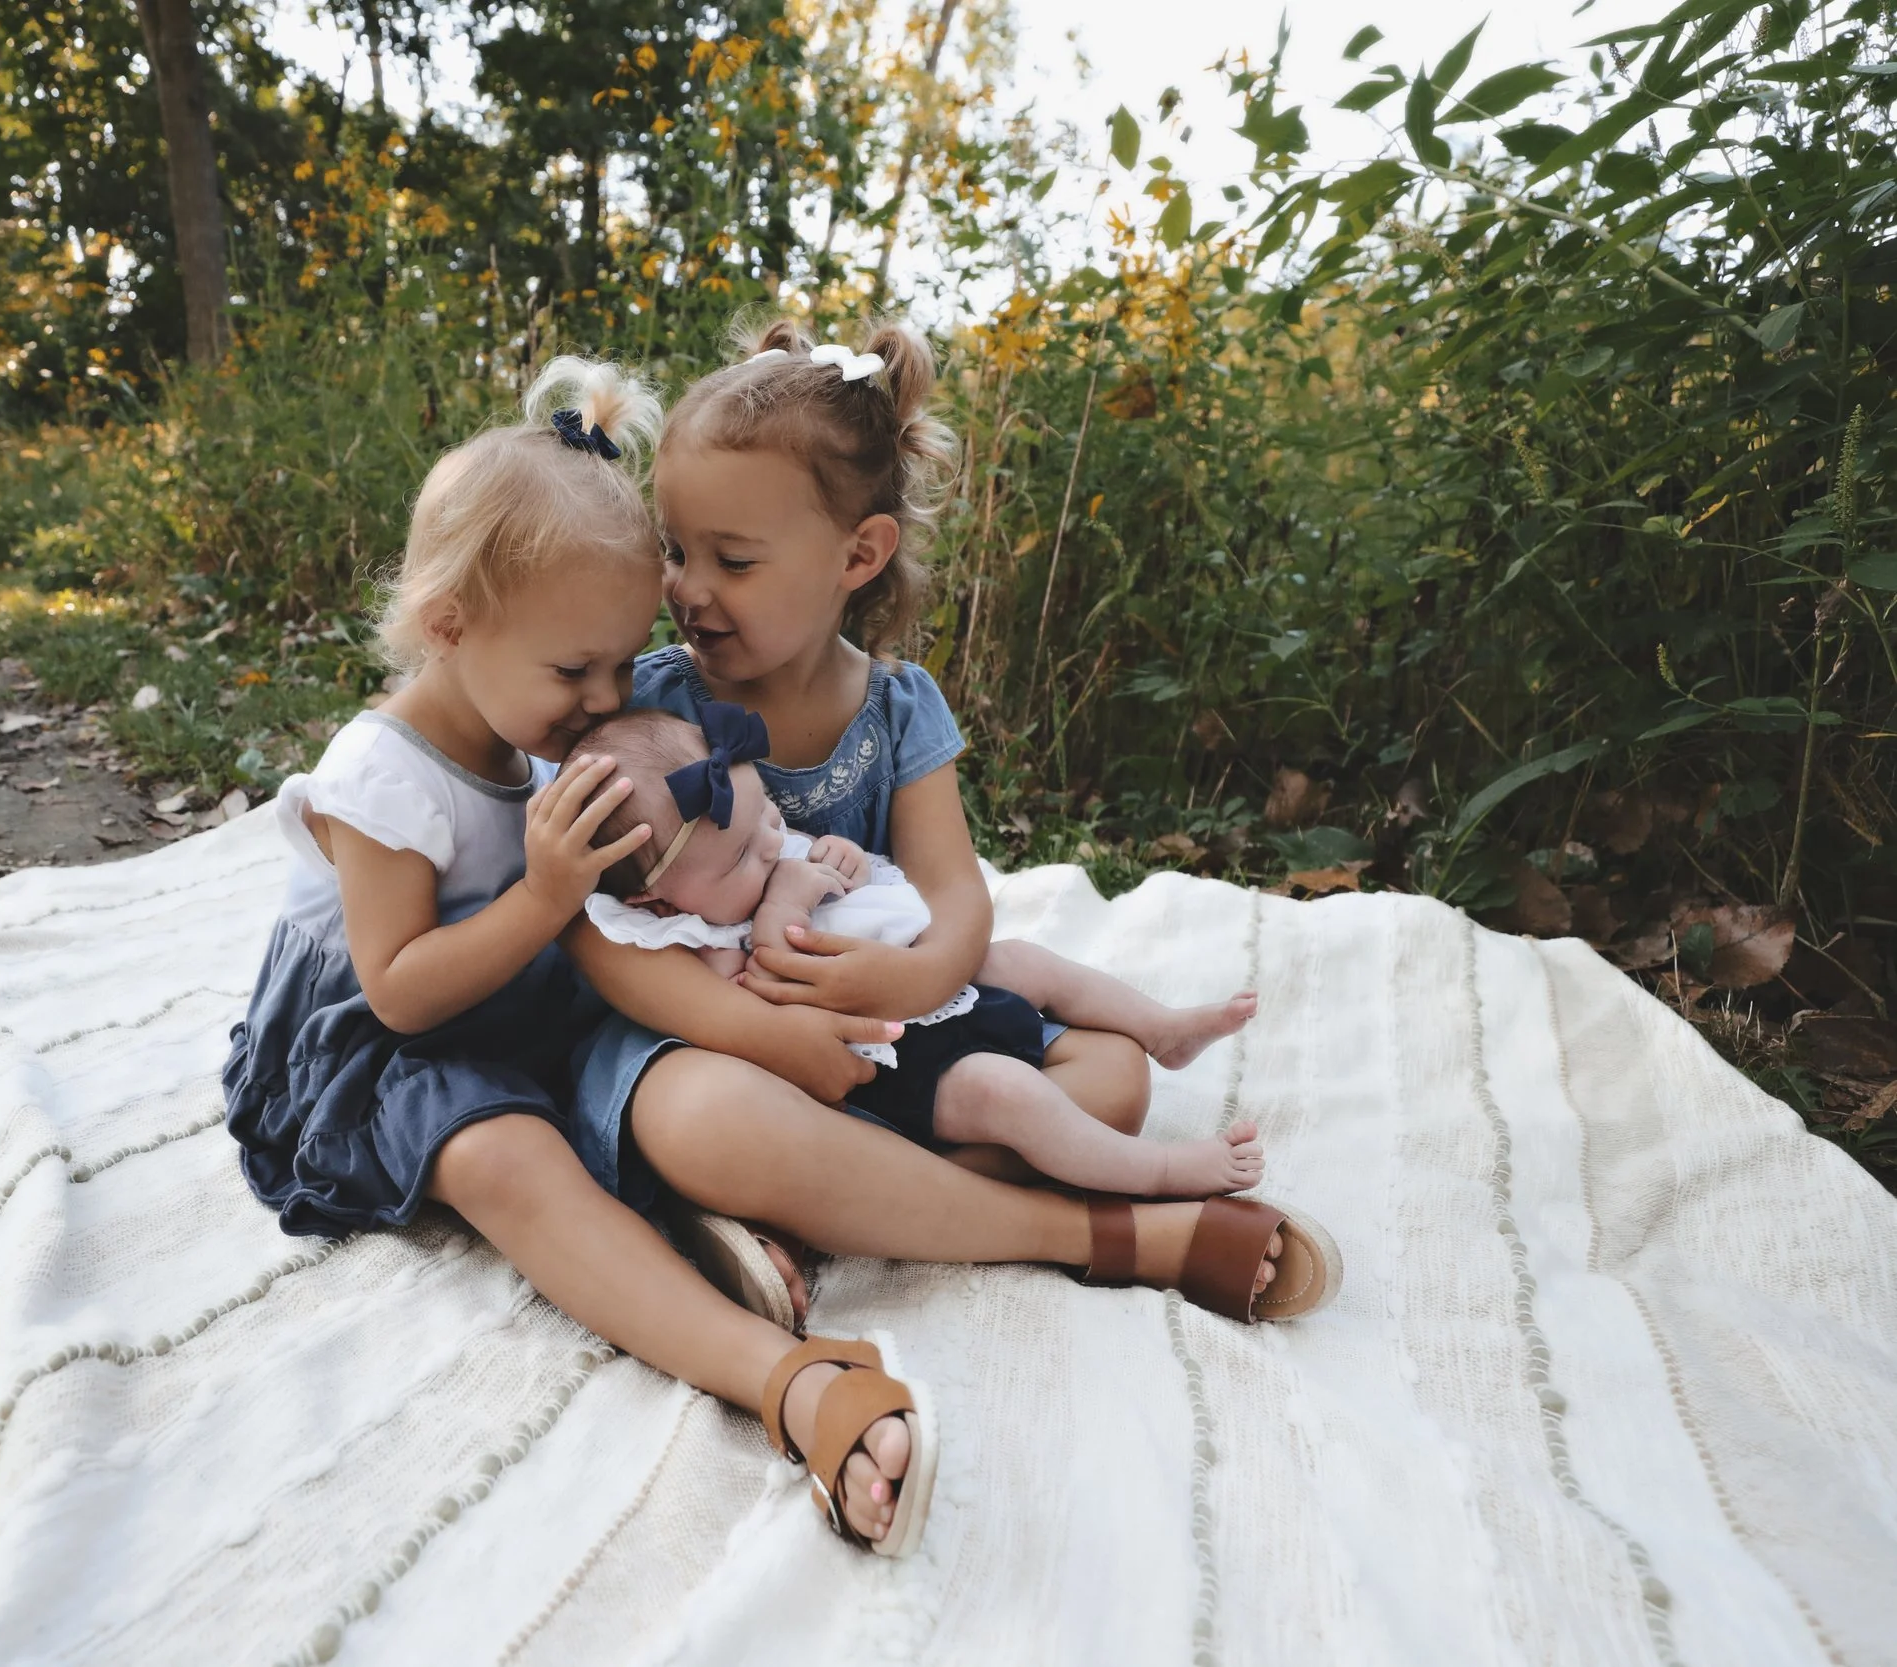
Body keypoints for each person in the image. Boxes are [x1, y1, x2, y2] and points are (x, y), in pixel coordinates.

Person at [222, 358, 938, 1555]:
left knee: (657, 1047)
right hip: (380, 1046)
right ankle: (790, 1379)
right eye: (575, 672)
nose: (604, 698)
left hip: (515, 996)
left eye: (621, 661)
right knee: (511, 1156)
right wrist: (549, 893)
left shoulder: (533, 732)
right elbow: (398, 992)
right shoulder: (380, 777)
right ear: (450, 626)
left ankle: (709, 1210)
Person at [563, 318, 1342, 1334]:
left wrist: (921, 977)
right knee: (696, 1119)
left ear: (859, 552)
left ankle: (823, 1201)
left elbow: (955, 893)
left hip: (911, 1038)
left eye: (733, 560)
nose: (686, 588)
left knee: (1110, 1079)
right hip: (737, 1040)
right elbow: (592, 931)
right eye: (674, 550)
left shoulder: (894, 705)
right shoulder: (650, 713)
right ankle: (1029, 1217)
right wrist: (769, 1035)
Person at [577, 703, 1267, 1199]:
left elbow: (858, 877)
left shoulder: (748, 843)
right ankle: (1160, 1174)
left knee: (1026, 959)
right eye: (739, 862)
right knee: (1011, 1094)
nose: (769, 843)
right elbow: (753, 990)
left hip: (929, 980)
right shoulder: (687, 934)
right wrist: (785, 901)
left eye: (768, 818)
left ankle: (1159, 1028)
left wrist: (840, 858)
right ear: (659, 900)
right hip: (896, 1060)